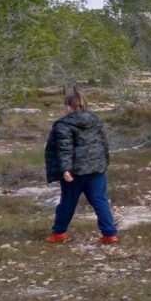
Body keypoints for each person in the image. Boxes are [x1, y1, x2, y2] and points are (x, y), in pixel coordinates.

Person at [44, 90, 119, 244]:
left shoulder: (63, 124)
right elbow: (103, 144)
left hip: (74, 173)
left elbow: (64, 149)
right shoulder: (95, 120)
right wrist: (103, 164)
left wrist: (65, 170)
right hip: (96, 169)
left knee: (67, 202)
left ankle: (59, 232)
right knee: (100, 201)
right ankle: (109, 234)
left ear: (69, 106)